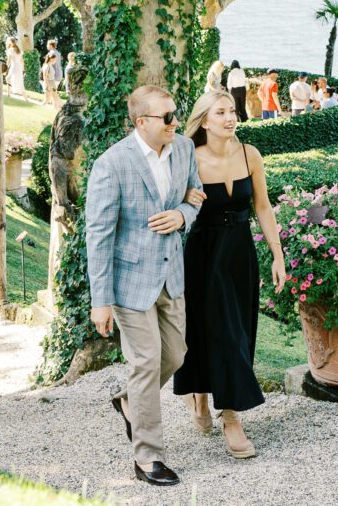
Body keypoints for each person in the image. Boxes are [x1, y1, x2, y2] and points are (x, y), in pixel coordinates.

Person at [86, 85, 203, 487]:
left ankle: (128, 401)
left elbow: (196, 197)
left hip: (172, 276)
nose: (175, 121)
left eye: (176, 113)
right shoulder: (111, 164)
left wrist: (182, 216)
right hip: (129, 282)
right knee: (146, 361)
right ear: (142, 122)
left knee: (176, 354)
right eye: (167, 117)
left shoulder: (184, 149)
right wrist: (100, 301)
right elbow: (98, 235)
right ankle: (149, 459)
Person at [173, 90, 285, 459]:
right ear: (204, 120)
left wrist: (277, 255)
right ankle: (211, 403)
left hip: (239, 254)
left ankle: (226, 409)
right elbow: (173, 206)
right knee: (204, 329)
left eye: (232, 111)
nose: (229, 117)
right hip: (203, 254)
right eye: (220, 112)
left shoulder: (250, 154)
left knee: (236, 330)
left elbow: (264, 207)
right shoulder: (188, 156)